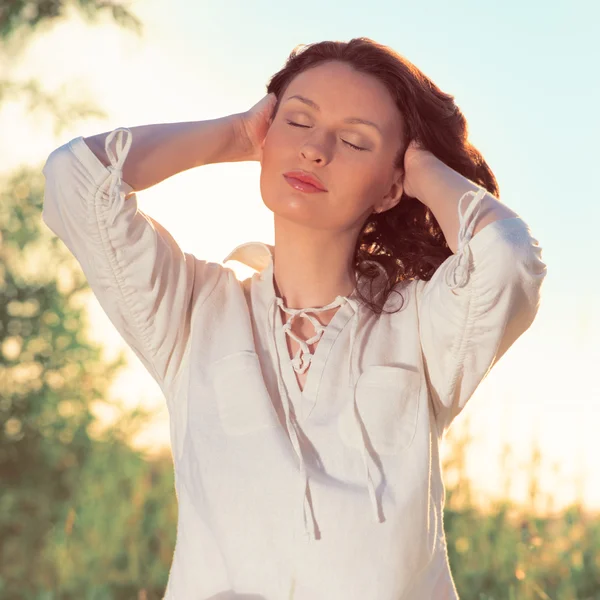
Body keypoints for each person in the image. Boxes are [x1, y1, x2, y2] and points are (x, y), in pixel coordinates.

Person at [41, 37, 546, 600]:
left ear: (391, 186)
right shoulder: (194, 309)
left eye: (355, 141)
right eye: (298, 122)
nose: (315, 150)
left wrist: (420, 168)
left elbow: (507, 257)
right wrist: (235, 134)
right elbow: (75, 180)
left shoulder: (421, 325)